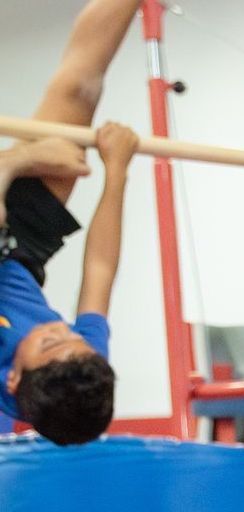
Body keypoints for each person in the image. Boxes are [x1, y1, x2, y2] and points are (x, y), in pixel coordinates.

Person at [0, 0, 143, 444]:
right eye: (70, 335)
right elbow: (100, 270)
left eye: (48, 342)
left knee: (50, 155)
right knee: (80, 92)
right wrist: (117, 170)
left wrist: (21, 159)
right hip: (17, 256)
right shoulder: (83, 366)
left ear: (13, 378)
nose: (57, 328)